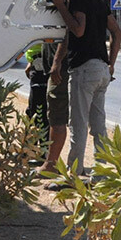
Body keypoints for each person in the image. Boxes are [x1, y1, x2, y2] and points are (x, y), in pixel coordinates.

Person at [50, 0, 121, 174]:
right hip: (101, 69)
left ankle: (74, 176)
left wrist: (61, 7)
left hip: (84, 69)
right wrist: (111, 64)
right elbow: (116, 32)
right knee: (99, 126)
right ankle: (103, 175)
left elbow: (77, 30)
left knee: (79, 125)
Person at [40, 39, 70, 176]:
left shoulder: (65, 16)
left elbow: (66, 34)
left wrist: (57, 62)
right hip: (58, 69)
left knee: (57, 117)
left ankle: (51, 164)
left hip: (60, 72)